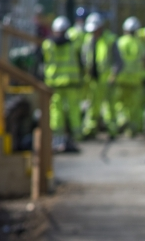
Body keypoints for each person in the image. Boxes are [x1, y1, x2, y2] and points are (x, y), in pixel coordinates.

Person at [42, 15, 83, 153]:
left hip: (55, 83)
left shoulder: (48, 45)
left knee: (56, 111)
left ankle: (58, 138)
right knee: (73, 109)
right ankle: (77, 136)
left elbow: (42, 62)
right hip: (71, 82)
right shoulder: (72, 45)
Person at [81, 12, 118, 139]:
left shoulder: (110, 39)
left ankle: (112, 130)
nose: (93, 33)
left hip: (107, 79)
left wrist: (113, 75)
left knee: (108, 106)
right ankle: (90, 129)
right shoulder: (88, 39)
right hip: (93, 80)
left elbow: (117, 61)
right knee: (92, 105)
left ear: (101, 28)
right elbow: (85, 58)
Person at [113, 16, 145, 136]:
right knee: (134, 105)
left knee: (120, 103)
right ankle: (133, 128)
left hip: (121, 78)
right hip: (136, 79)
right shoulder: (141, 44)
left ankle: (122, 121)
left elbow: (114, 60)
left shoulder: (120, 42)